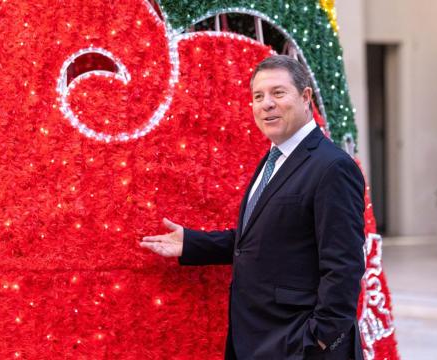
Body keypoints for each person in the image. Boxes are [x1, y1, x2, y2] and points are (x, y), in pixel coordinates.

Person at [140, 55, 366, 360]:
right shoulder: (274, 159)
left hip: (297, 346)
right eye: (258, 96)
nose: (266, 104)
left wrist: (317, 342)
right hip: (257, 339)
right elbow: (267, 237)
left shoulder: (332, 166)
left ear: (306, 96)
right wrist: (194, 244)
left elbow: (344, 266)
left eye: (278, 93)